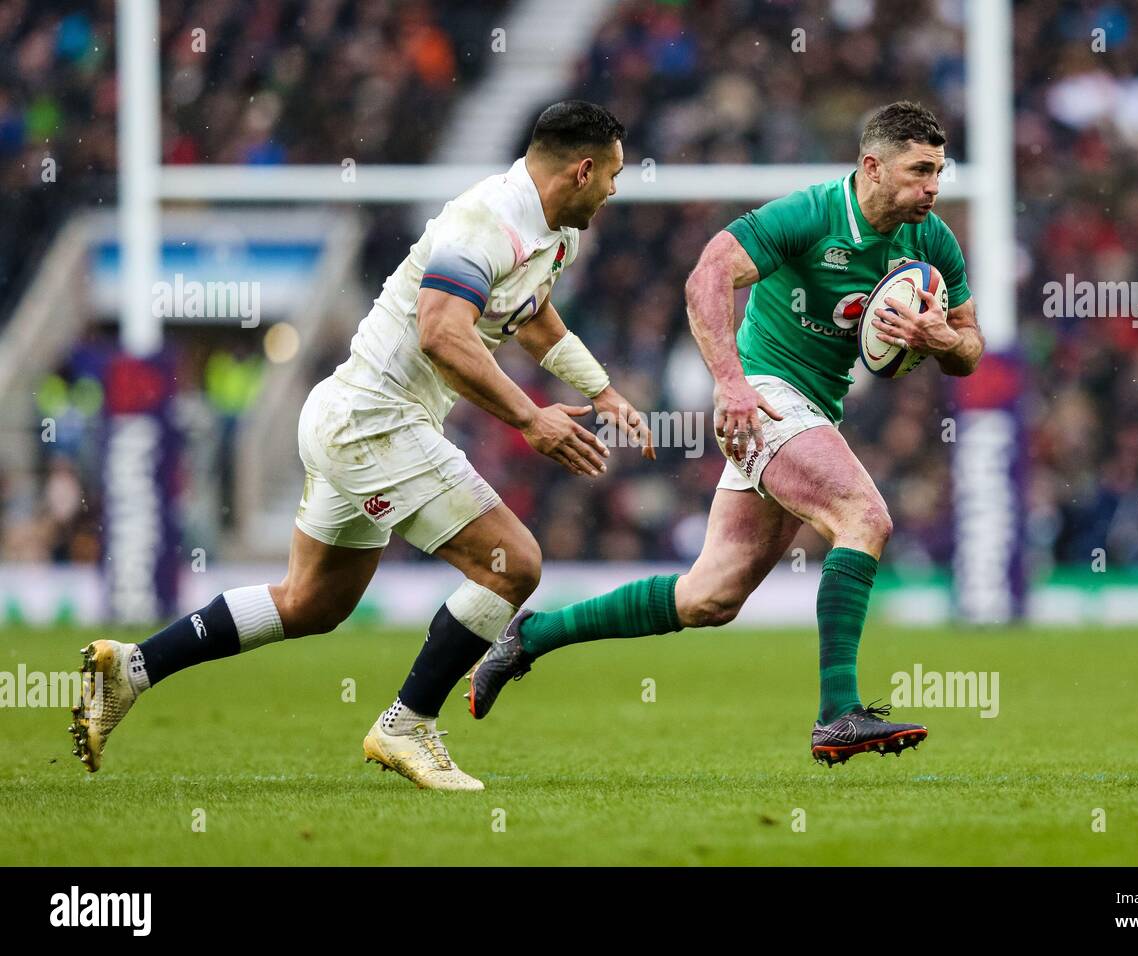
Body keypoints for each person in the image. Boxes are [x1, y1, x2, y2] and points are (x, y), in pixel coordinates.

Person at [71, 101, 653, 790]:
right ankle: (407, 725)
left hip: (351, 418)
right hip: (375, 423)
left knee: (311, 602)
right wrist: (529, 419)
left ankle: (131, 669)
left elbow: (530, 316)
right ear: (582, 169)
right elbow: (442, 332)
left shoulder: (555, 234)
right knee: (513, 564)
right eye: (612, 175)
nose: (615, 190)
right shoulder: (484, 221)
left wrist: (601, 390)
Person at [469, 101, 983, 767]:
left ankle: (531, 636)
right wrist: (731, 382)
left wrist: (946, 341)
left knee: (709, 596)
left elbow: (971, 347)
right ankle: (837, 714)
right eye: (919, 171)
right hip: (763, 399)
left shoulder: (932, 241)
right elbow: (709, 271)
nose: (933, 186)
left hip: (811, 412)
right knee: (864, 516)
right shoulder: (812, 214)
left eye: (939, 171)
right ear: (872, 166)